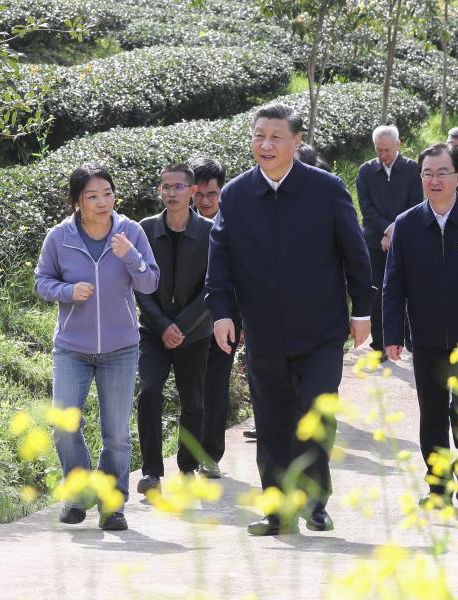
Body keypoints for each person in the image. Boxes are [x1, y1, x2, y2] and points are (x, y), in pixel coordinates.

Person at [206, 102, 372, 536]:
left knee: (314, 416)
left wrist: (362, 310)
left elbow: (355, 253)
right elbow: (219, 260)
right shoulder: (236, 195)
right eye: (259, 135)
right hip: (263, 332)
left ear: (297, 142)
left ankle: (315, 502)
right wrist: (222, 313)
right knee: (271, 422)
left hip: (321, 331)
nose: (266, 144)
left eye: (276, 137)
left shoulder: (326, 189)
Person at [35, 163, 159, 531]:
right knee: (64, 425)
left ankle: (112, 505)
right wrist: (68, 291)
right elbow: (41, 281)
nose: (102, 202)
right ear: (76, 201)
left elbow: (150, 283)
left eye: (107, 193)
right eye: (92, 196)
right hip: (72, 347)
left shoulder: (130, 232)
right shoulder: (59, 237)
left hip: (121, 348)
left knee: (117, 434)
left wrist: (130, 256)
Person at [383, 143, 458, 506]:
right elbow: (393, 283)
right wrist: (392, 334)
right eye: (427, 173)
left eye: (442, 172)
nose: (434, 180)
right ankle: (437, 487)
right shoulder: (407, 224)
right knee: (431, 415)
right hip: (426, 337)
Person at [135, 164, 214, 495]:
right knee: (149, 392)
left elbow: (213, 285)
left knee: (193, 400)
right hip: (153, 331)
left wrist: (180, 326)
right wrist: (163, 325)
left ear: (193, 191)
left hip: (194, 333)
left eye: (179, 187)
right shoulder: (145, 229)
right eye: (165, 187)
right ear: (159, 191)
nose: (171, 193)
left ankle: (188, 466)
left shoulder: (210, 231)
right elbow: (139, 282)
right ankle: (151, 472)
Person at [187, 157, 247, 476]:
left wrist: (244, 321)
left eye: (212, 194)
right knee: (190, 386)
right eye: (199, 194)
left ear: (222, 190)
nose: (206, 201)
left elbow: (248, 276)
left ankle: (210, 454)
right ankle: (187, 453)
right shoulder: (180, 221)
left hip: (226, 317)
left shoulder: (238, 221)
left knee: (215, 384)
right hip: (186, 321)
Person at [355, 125, 421, 356]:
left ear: (398, 145)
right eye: (378, 150)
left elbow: (416, 202)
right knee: (377, 292)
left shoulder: (412, 169)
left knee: (408, 289)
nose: (383, 155)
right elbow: (366, 208)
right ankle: (380, 343)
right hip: (375, 241)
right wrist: (386, 230)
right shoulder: (366, 171)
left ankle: (408, 338)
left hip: (406, 239)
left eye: (387, 150)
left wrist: (395, 231)